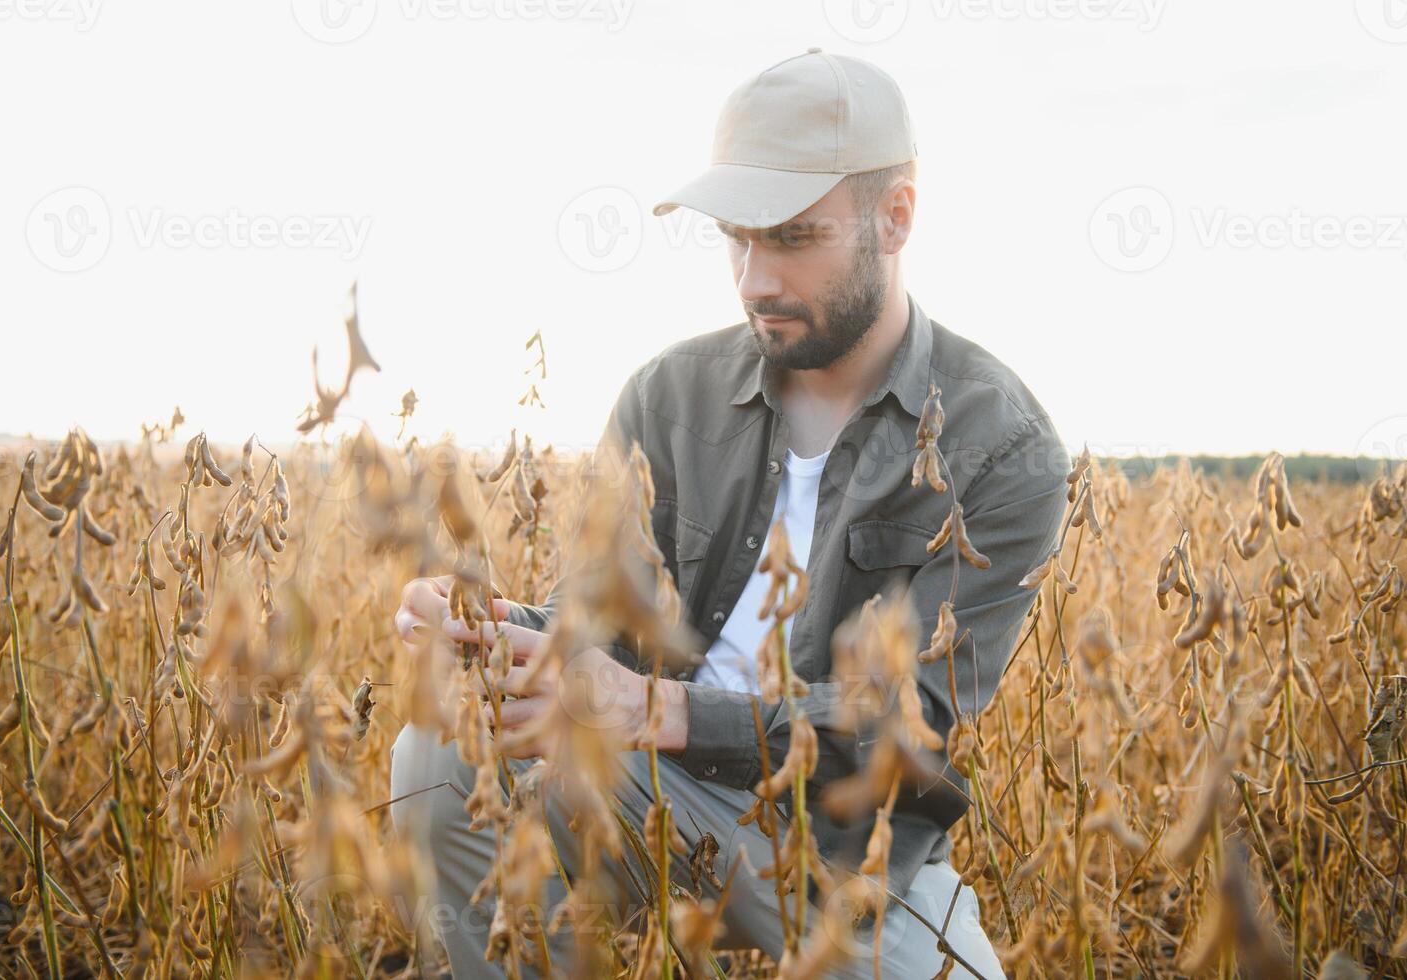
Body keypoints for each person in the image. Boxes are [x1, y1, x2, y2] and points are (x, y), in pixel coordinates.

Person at [391, 47, 1070, 979]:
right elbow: (600, 628)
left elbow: (901, 726)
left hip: (845, 857)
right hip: (638, 788)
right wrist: (500, 630)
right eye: (734, 238)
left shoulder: (1004, 446)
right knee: (437, 759)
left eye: (791, 237)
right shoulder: (666, 397)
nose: (752, 279)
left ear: (896, 216)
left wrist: (658, 708)